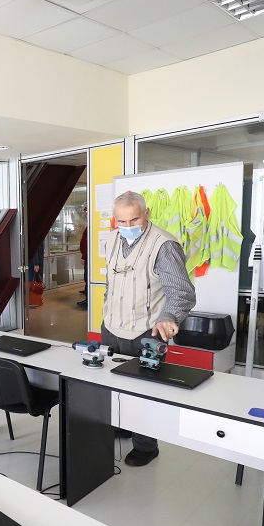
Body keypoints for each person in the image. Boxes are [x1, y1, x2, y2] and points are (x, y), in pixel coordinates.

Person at [103, 191, 195, 467]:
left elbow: (181, 292)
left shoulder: (164, 245)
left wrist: (168, 317)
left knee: (143, 391)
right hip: (112, 327)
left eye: (134, 219)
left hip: (147, 333)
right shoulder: (111, 239)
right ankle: (121, 425)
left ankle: (146, 446)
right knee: (111, 384)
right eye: (121, 221)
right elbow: (111, 282)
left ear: (146, 213)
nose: (127, 226)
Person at [77, 226, 88, 309]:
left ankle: (88, 300)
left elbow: (87, 244)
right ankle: (87, 297)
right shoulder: (88, 227)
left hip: (87, 257)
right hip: (87, 256)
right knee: (86, 278)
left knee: (87, 278)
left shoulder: (90, 227)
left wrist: (84, 257)